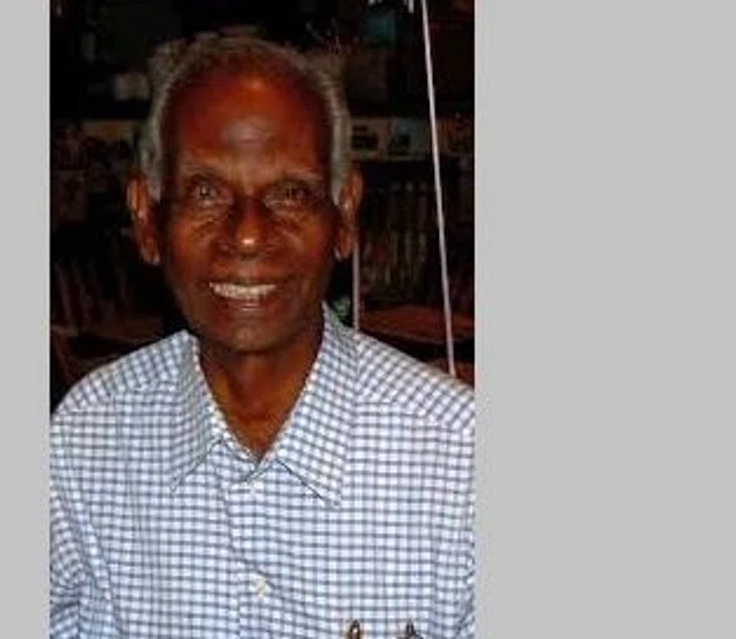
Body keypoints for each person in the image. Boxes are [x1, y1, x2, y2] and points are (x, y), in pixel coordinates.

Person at [50, 37, 475, 639]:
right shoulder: (86, 441)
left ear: (344, 214)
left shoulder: (458, 459)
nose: (248, 235)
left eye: (289, 193)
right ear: (147, 220)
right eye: (206, 191)